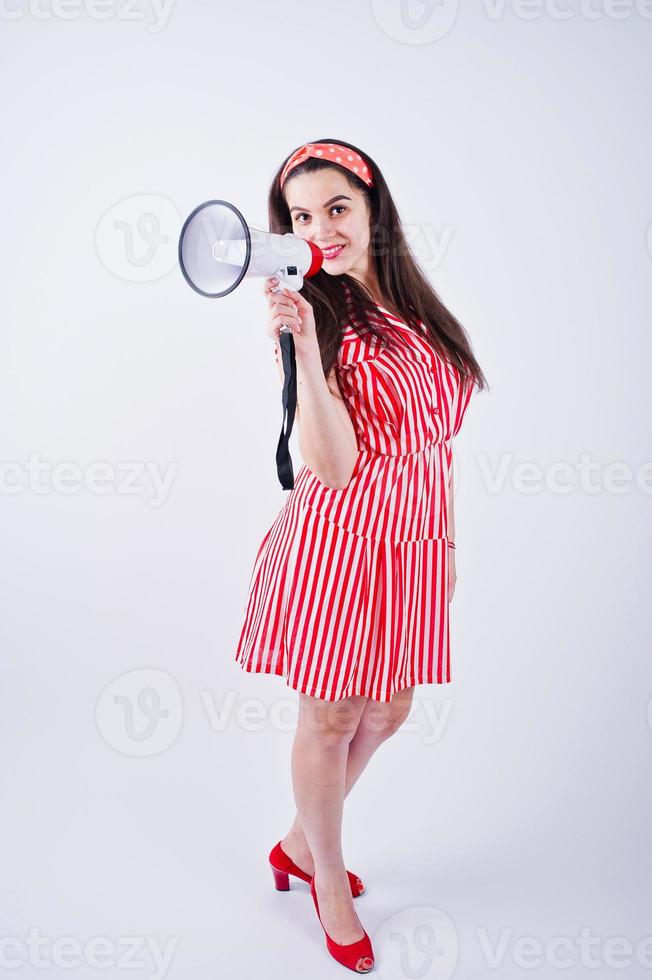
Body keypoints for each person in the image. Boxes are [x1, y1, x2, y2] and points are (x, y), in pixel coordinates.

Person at [234, 139, 487, 973]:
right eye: (300, 217)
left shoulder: (416, 308)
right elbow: (334, 465)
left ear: (374, 210)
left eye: (336, 209)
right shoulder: (315, 314)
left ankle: (298, 844)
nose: (321, 230)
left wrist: (441, 548)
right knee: (332, 715)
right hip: (340, 544)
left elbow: (437, 445)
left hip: (410, 545)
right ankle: (326, 882)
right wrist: (303, 348)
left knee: (390, 709)